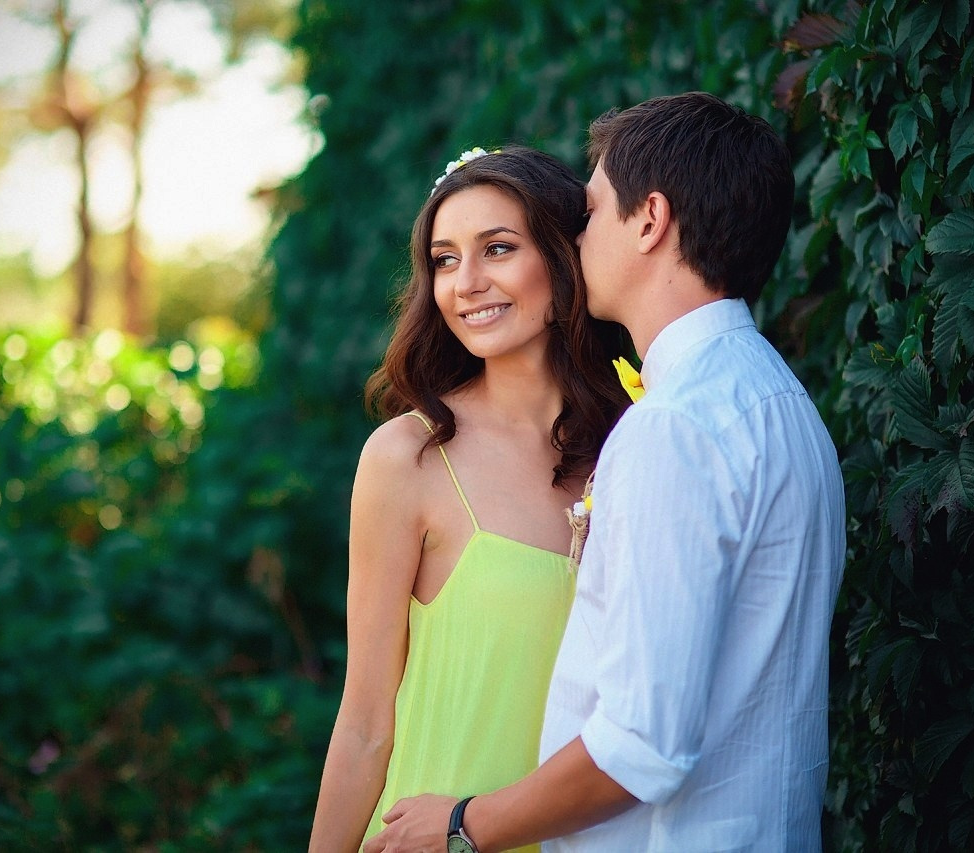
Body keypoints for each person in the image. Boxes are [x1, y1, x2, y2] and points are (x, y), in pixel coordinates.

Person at [366, 92, 847, 852]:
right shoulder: (782, 402)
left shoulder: (671, 428)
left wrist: (462, 824)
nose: (577, 237)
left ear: (649, 220)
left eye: (590, 212)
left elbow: (642, 745)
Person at [308, 146, 630, 852]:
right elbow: (364, 720)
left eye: (498, 248)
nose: (468, 282)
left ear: (563, 256)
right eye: (446, 259)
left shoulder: (639, 442)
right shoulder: (409, 456)